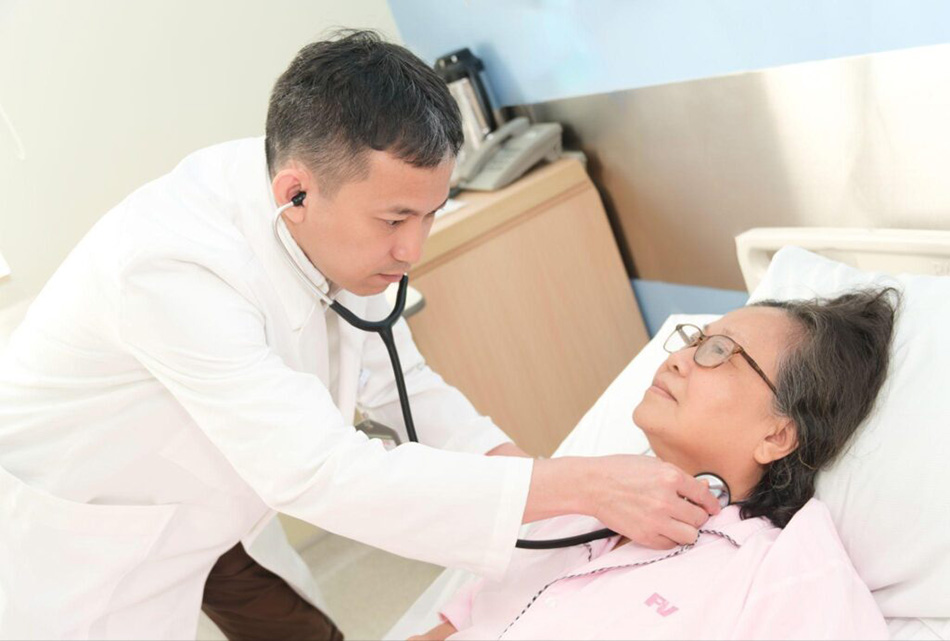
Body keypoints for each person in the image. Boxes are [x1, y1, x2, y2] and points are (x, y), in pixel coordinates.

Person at [0, 31, 721, 640]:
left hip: (210, 501)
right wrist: (581, 484)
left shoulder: (328, 214)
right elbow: (320, 472)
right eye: (395, 220)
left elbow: (409, 390)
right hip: (73, 546)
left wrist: (557, 489)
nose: (414, 249)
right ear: (295, 193)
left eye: (430, 214)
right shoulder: (170, 265)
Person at [412, 288, 897, 640]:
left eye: (720, 352)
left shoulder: (784, 570)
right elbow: (452, 629)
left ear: (776, 435)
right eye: (694, 340)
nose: (679, 359)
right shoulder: (579, 505)